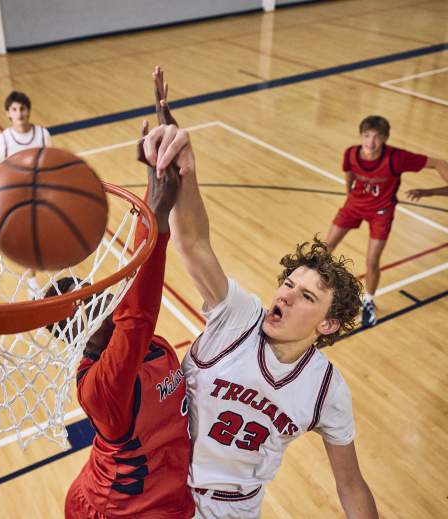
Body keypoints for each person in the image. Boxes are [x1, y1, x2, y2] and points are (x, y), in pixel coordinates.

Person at [141, 112, 378, 516]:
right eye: (287, 284)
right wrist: (187, 170)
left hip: (232, 510)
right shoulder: (239, 317)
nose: (285, 295)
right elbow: (193, 242)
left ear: (328, 324)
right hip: (161, 490)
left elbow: (351, 486)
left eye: (305, 296)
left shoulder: (325, 389)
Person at [55, 123, 194, 518]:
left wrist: (162, 182)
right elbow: (138, 314)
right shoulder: (101, 387)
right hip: (117, 511)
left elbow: (134, 304)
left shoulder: (154, 349)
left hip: (163, 497)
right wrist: (156, 209)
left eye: (90, 289)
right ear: (75, 335)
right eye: (84, 307)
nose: (97, 298)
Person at [324, 116, 448, 326]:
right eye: (367, 136)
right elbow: (349, 172)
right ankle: (318, 293)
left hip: (381, 212)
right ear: (360, 135)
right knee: (325, 248)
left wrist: (429, 191)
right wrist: (349, 194)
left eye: (377, 137)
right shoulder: (351, 153)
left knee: (372, 260)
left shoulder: (396, 158)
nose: (371, 142)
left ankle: (369, 302)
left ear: (385, 139)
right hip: (354, 205)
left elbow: (438, 162)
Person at [0, 91, 52, 296]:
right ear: (8, 113)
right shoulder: (3, 140)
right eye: (14, 109)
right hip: (16, 196)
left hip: (40, 192)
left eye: (22, 108)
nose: (19, 113)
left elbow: (51, 162)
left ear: (29, 110)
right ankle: (32, 280)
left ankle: (39, 271)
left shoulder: (43, 134)